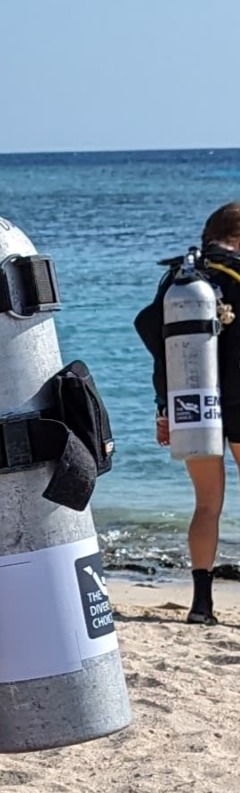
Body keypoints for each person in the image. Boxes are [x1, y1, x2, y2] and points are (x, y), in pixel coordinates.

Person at [137, 201, 240, 625]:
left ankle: (201, 605)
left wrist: (165, 405)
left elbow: (148, 327)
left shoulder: (182, 278)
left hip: (193, 404)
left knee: (207, 505)